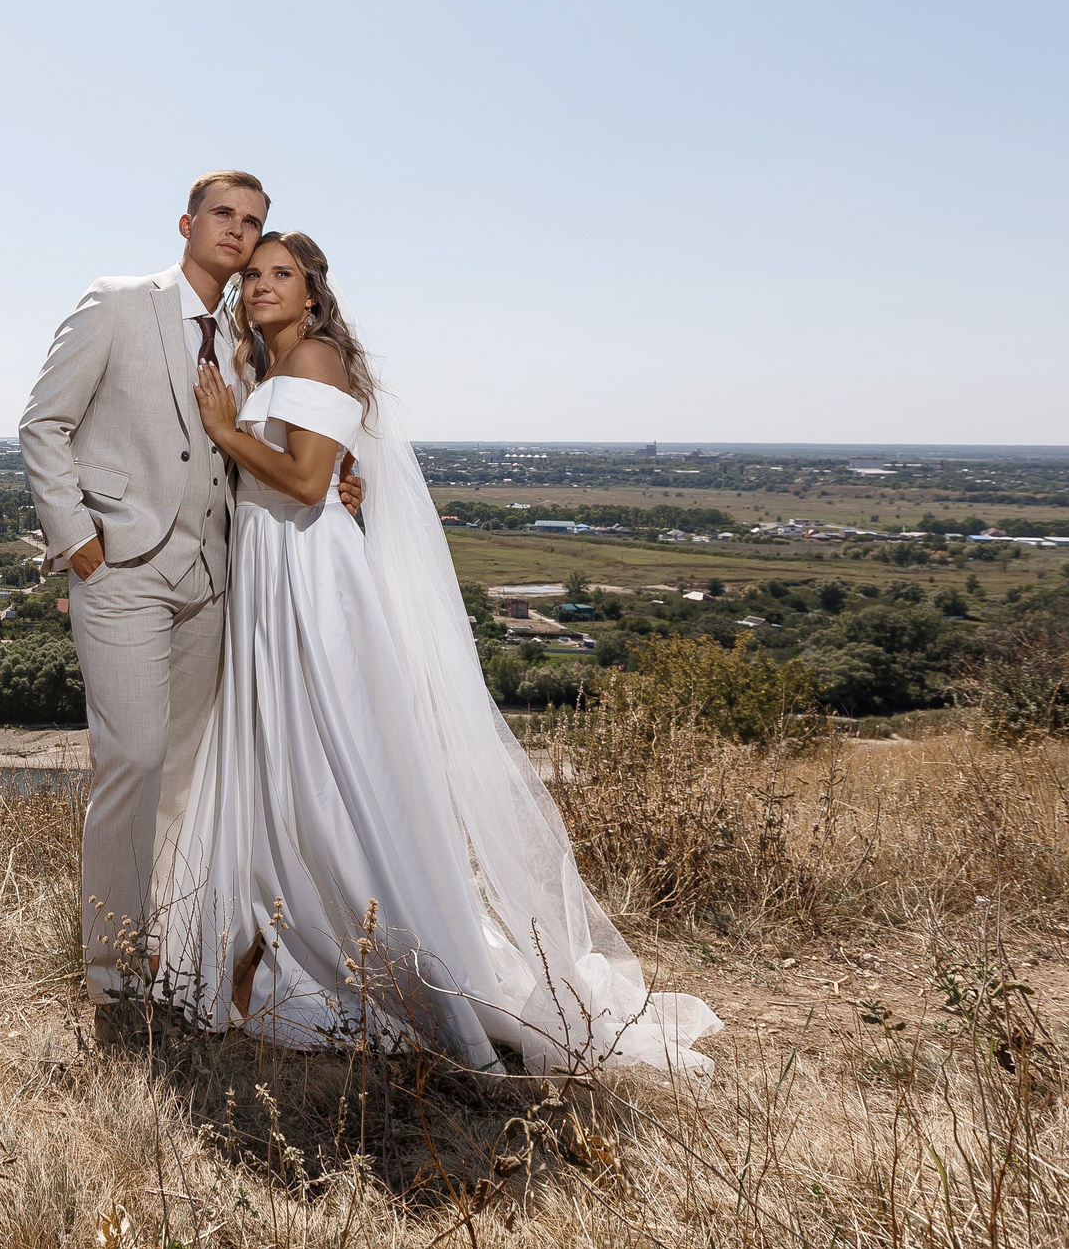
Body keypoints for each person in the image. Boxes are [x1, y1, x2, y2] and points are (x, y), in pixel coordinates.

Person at [159, 230, 721, 1075]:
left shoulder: (314, 357)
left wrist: (220, 428)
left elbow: (305, 482)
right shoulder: (270, 367)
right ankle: (274, 933)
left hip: (308, 577)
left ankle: (355, 941)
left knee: (328, 758)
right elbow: (319, 474)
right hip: (273, 570)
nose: (264, 284)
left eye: (283, 274)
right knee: (287, 759)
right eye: (255, 275)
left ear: (313, 293)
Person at [18, 171, 361, 1047]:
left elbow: (287, 442)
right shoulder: (118, 303)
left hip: (214, 579)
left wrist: (337, 481)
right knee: (131, 758)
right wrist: (77, 537)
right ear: (186, 222)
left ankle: (167, 946)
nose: (238, 231)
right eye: (224, 214)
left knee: (187, 774)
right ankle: (110, 966)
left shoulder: (250, 342)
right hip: (123, 570)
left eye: (254, 221)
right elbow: (42, 423)